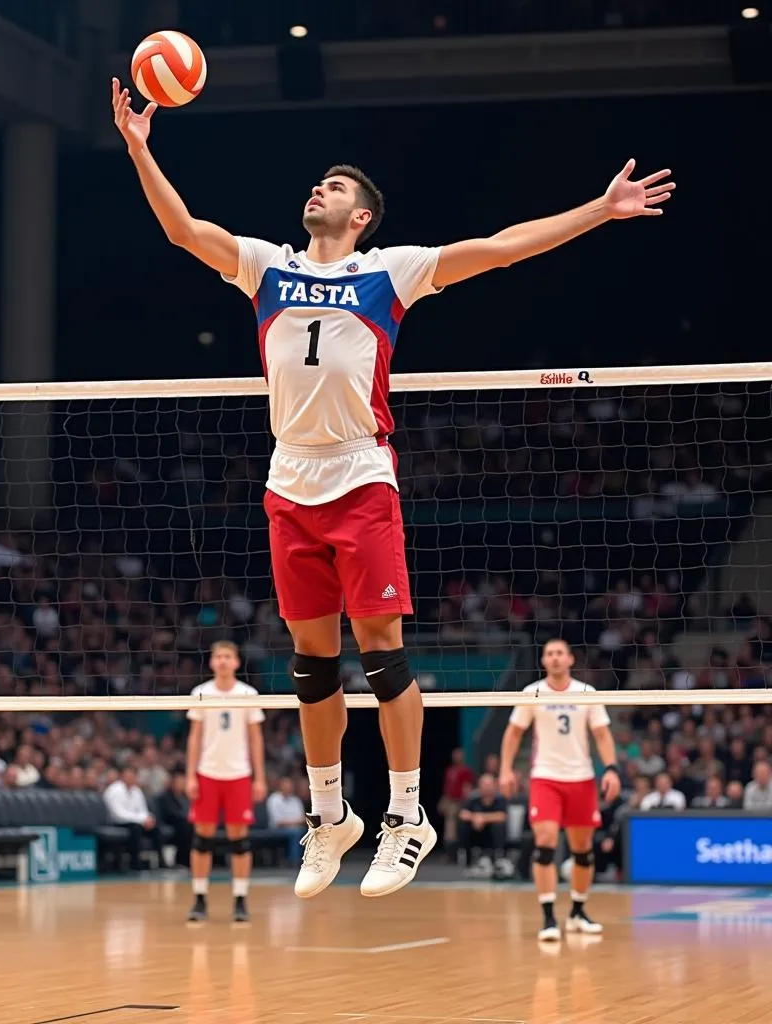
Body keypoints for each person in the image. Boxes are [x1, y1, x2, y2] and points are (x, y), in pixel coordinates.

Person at [111, 78, 674, 900]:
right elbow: (182, 230)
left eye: (334, 187)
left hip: (360, 472)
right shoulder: (266, 266)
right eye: (318, 183)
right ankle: (330, 816)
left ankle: (407, 816)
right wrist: (138, 144)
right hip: (288, 477)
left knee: (380, 649)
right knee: (309, 662)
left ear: (361, 216)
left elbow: (502, 246)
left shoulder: (389, 273)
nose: (318, 189)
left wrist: (598, 208)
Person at [499, 639, 621, 941]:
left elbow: (602, 735)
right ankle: (549, 918)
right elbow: (513, 734)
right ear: (543, 660)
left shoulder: (585, 693)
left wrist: (612, 769)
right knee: (546, 841)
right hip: (546, 778)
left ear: (570, 660)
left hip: (581, 778)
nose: (554, 658)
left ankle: (578, 911)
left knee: (582, 849)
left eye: (559, 653)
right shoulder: (533, 693)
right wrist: (505, 768)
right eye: (549, 653)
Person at [185, 640, 266, 923]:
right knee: (202, 839)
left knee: (239, 840)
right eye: (217, 656)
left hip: (239, 774)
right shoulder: (201, 693)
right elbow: (194, 737)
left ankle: (240, 900)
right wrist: (190, 775)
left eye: (227, 656)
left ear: (236, 662)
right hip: (207, 773)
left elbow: (256, 738)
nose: (222, 660)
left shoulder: (248, 694)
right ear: (211, 662)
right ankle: (199, 899)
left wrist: (259, 778)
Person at [457, 772, 508, 876]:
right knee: (464, 826)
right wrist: (475, 818)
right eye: (484, 785)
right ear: (479, 786)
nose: (487, 788)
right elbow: (463, 814)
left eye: (489, 785)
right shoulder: (473, 799)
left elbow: (502, 816)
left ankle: (497, 861)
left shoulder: (500, 799)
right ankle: (468, 862)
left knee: (499, 826)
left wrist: (483, 818)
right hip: (476, 833)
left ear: (494, 786)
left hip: (493, 834)